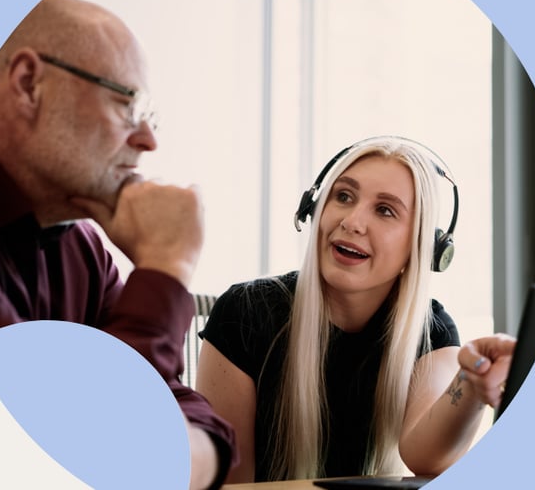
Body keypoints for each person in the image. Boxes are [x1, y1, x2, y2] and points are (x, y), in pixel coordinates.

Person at [0, 0, 236, 489]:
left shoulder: (80, 247)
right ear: (29, 83)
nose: (148, 140)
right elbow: (73, 454)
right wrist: (165, 266)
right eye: (127, 104)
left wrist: (177, 453)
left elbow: (176, 413)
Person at [196, 136, 515, 483]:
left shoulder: (432, 330)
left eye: (385, 210)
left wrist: (470, 384)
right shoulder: (245, 313)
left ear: (422, 246)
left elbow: (427, 459)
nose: (352, 221)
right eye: (344, 196)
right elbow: (229, 485)